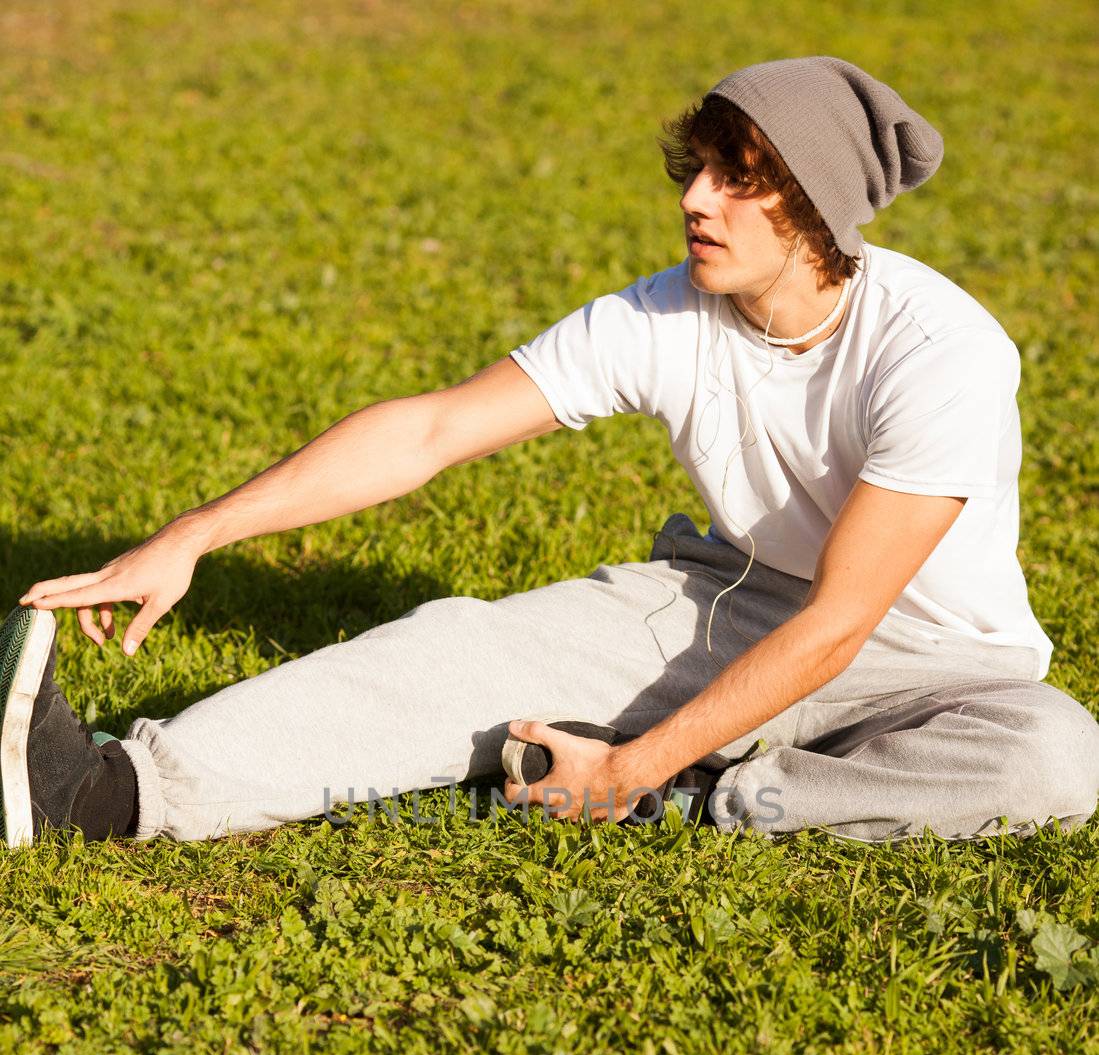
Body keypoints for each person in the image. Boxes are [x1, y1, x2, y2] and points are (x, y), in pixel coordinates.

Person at [4, 54, 1099, 849]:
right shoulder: (666, 315)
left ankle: (699, 793)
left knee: (1056, 755)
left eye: (737, 179)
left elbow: (844, 621)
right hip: (732, 601)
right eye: (696, 167)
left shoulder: (938, 349)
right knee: (458, 654)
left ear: (816, 206)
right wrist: (201, 531)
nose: (693, 199)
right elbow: (431, 429)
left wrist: (630, 768)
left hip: (935, 667)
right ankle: (106, 793)